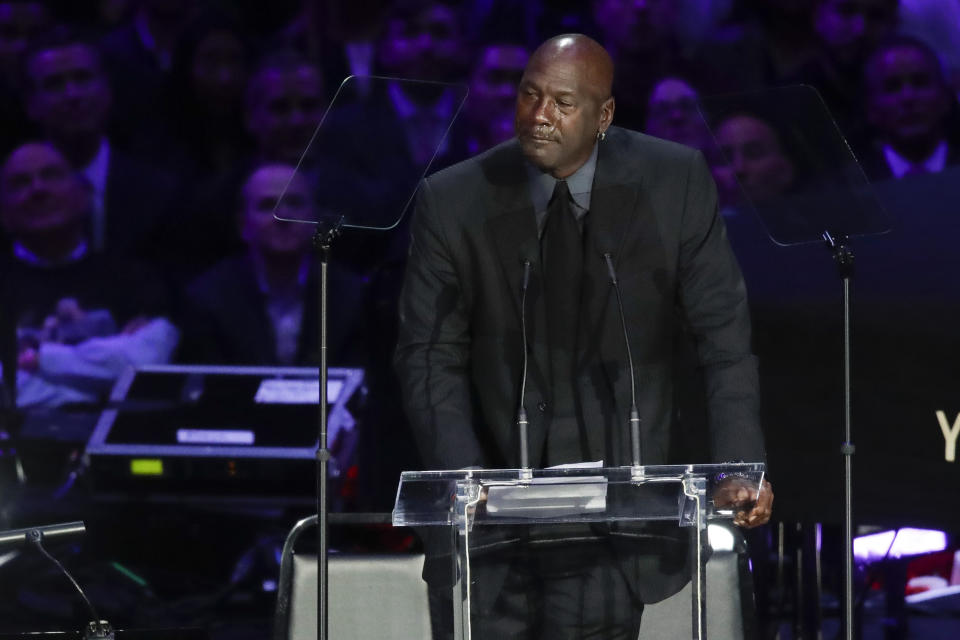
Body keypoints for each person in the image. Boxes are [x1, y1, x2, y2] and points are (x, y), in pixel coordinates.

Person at [395, 33, 773, 639]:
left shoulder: (673, 182)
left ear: (604, 116)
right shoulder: (454, 198)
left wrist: (740, 465)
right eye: (529, 95)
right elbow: (428, 354)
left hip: (620, 520)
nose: (539, 116)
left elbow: (722, 337)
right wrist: (462, 482)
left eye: (562, 104)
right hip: (494, 523)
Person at [0, 141, 176, 409]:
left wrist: (34, 362)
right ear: (3, 212)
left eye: (51, 176)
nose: (38, 189)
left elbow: (147, 364)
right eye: (21, 183)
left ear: (82, 195)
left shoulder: (133, 278)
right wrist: (96, 388)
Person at [859, 35, 960, 180]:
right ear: (871, 108)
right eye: (892, 87)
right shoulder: (849, 186)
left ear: (945, 97)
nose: (908, 97)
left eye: (920, 82)